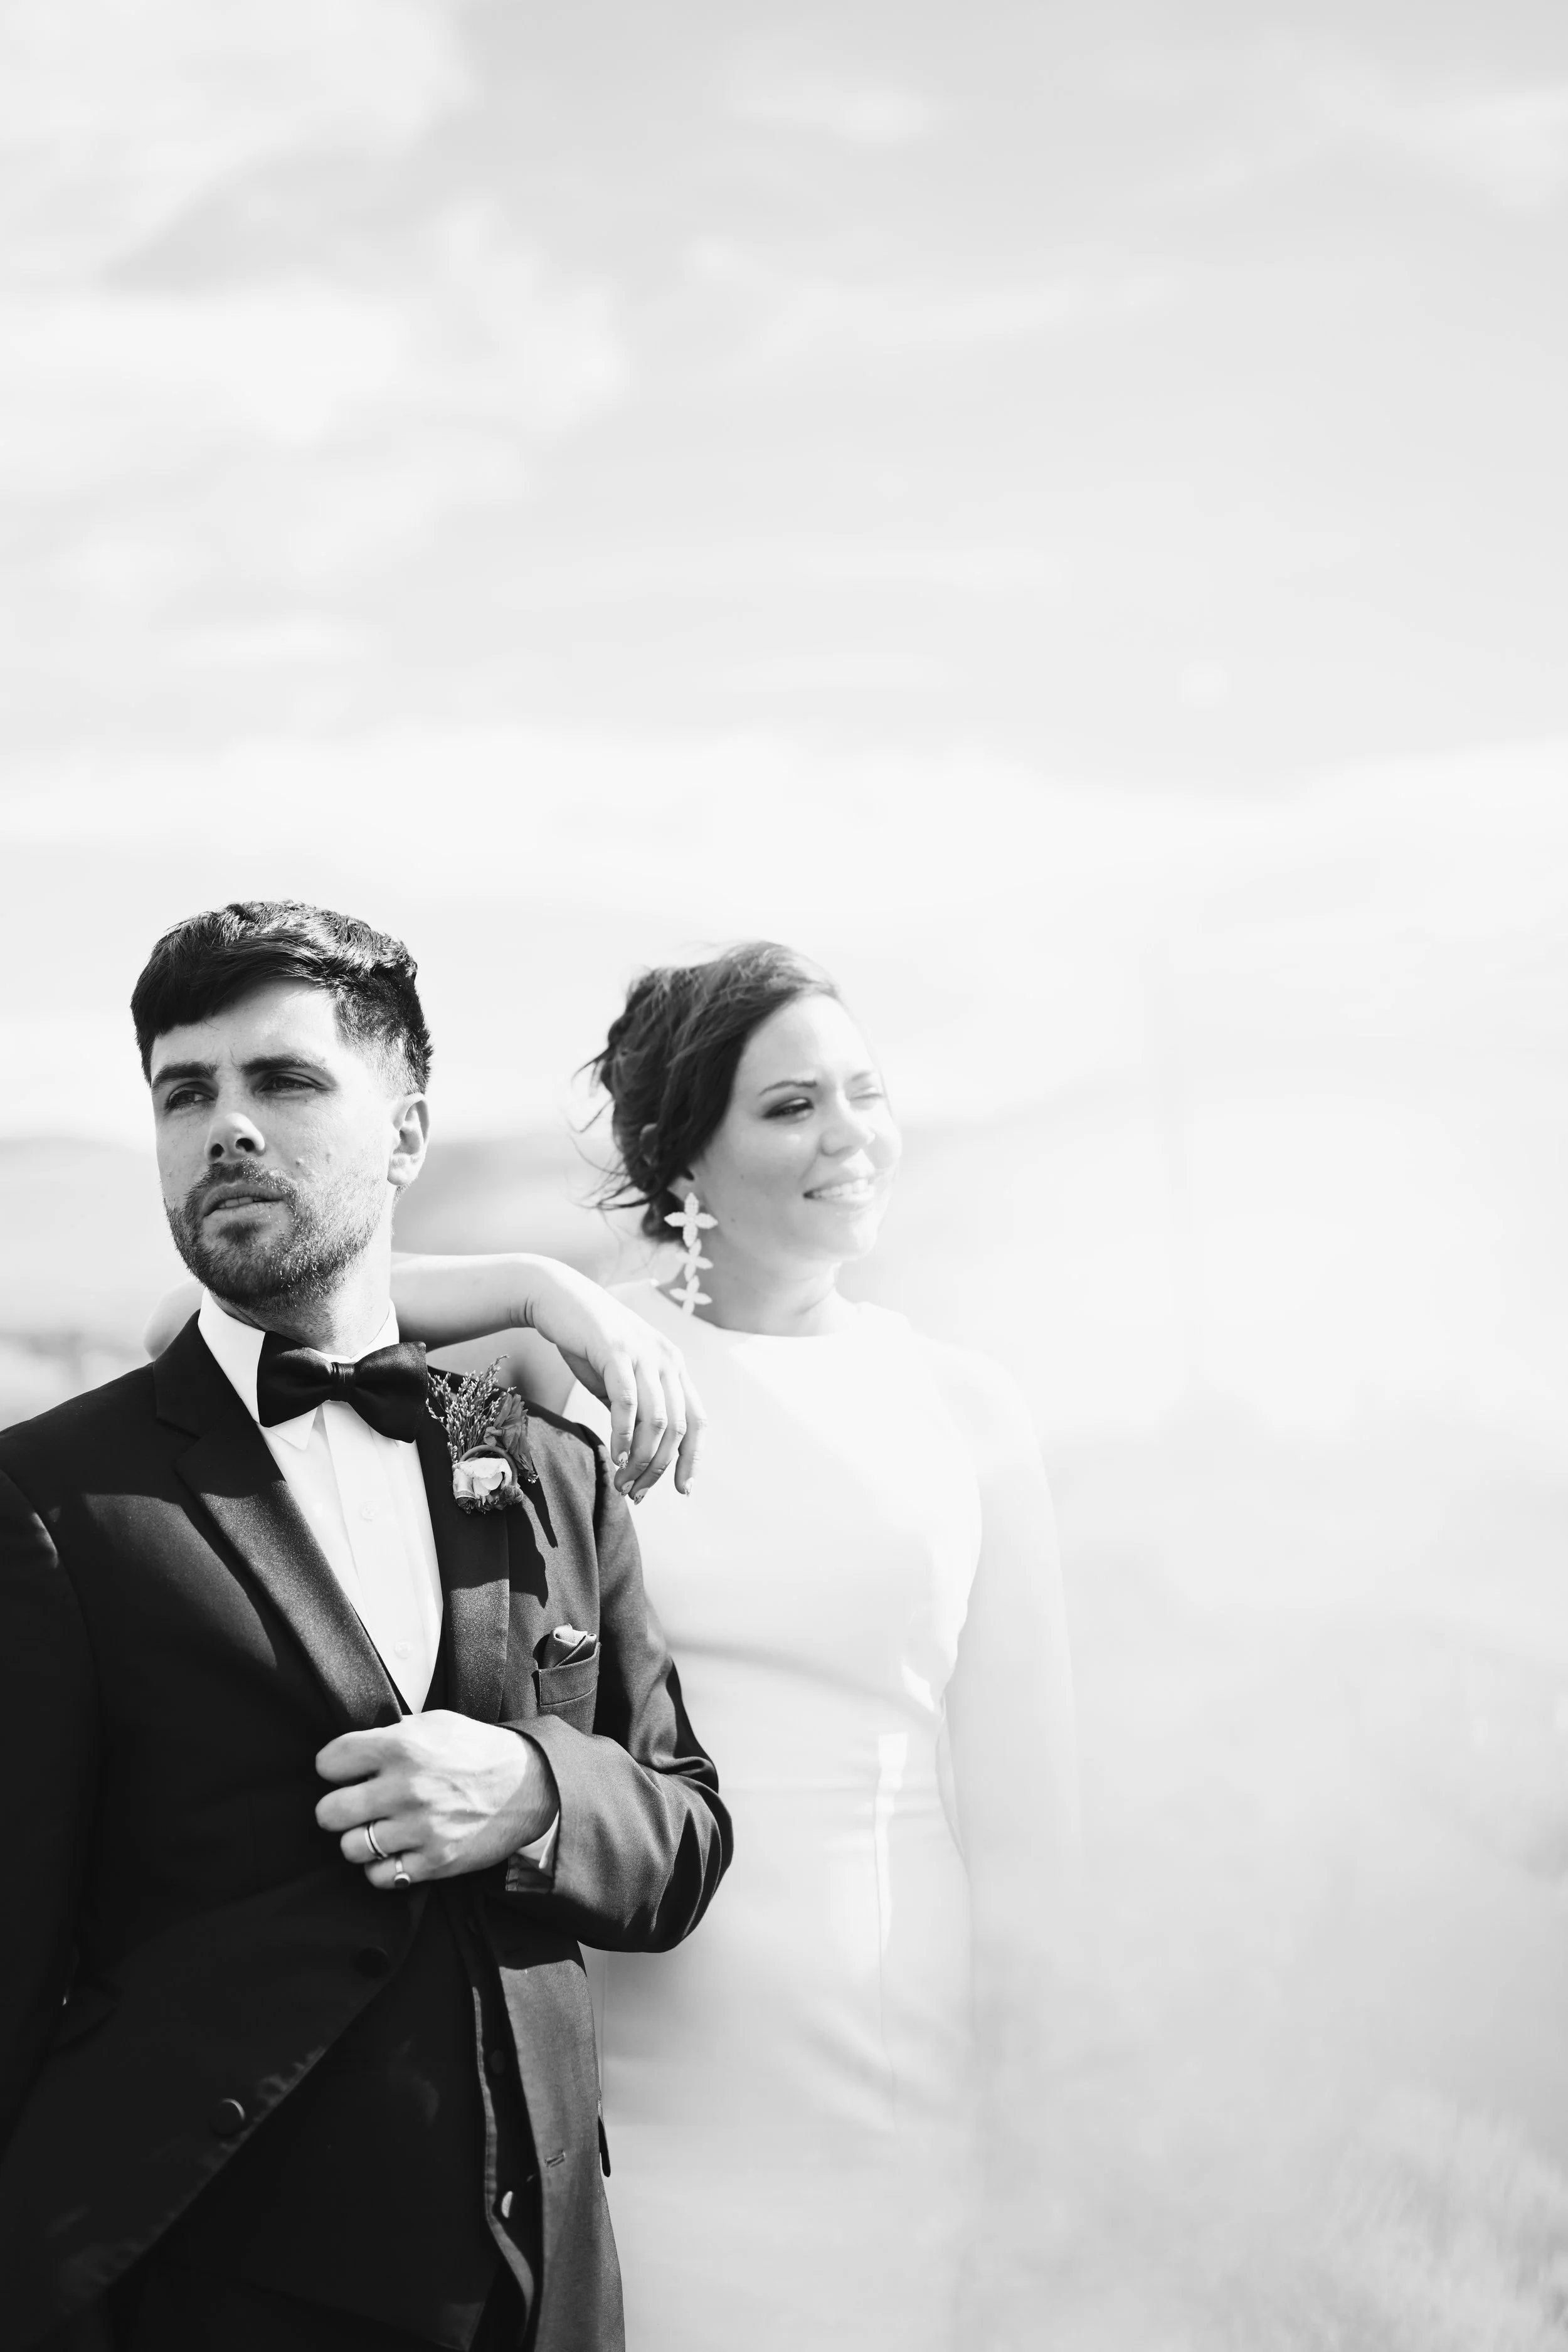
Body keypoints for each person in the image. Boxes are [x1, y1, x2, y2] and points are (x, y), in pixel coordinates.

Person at [0, 901, 731, 2352]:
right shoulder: (52, 1497)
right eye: (184, 1093)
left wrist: (533, 1790)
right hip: (215, 2292)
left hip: (549, 2294)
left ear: (405, 1133)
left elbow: (683, 1835)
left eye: (283, 1082)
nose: (225, 1128)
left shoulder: (529, 1450)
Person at [361, 941, 1079, 2351]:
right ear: (681, 1152)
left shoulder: (964, 1408)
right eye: (790, 1105)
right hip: (632, 2065)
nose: (848, 1135)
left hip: (893, 2065)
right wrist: (533, 1290)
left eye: (862, 1092)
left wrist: (1041, 2134)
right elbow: (228, 1340)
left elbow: (1027, 1823)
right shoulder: (554, 1382)